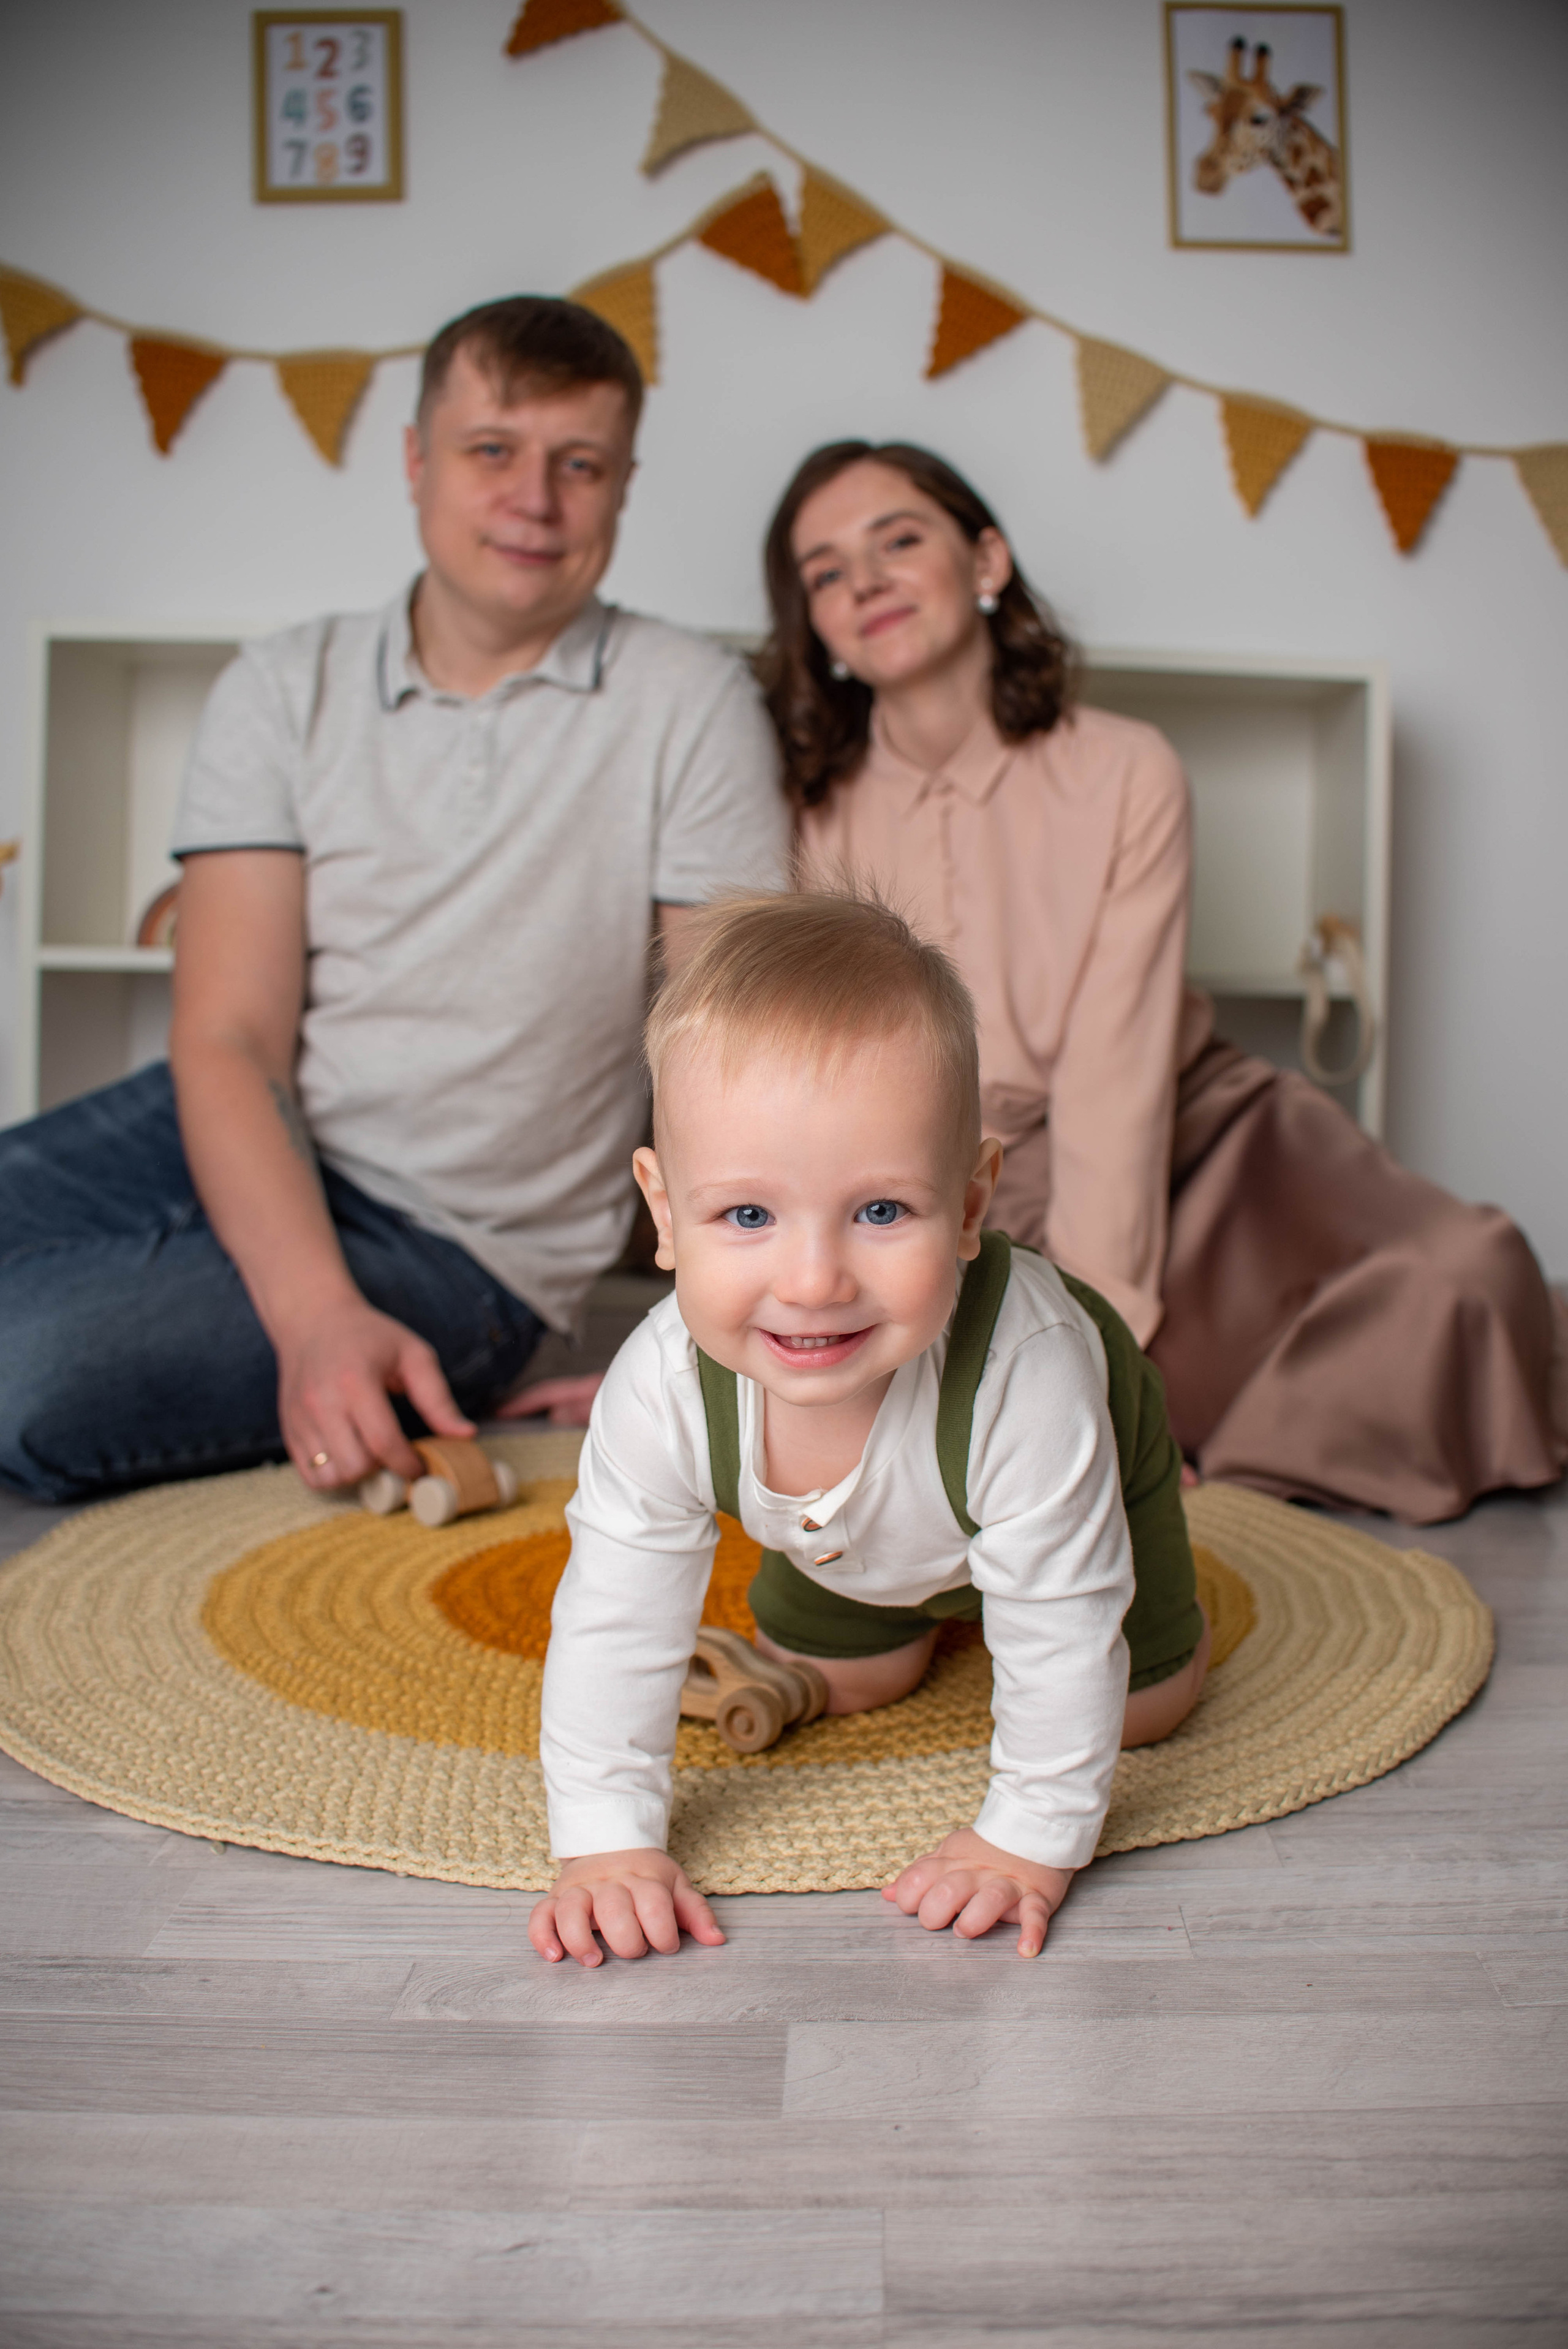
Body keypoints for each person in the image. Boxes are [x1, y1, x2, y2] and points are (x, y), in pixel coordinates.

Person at [0, 297, 788, 1505]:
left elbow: (731, 1054)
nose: (534, 499)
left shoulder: (689, 702)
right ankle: (242, 1295)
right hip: (240, 1128)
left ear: (622, 487)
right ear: (417, 461)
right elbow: (226, 1034)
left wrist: (718, 1345)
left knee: (27, 1373)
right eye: (492, 452)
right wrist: (311, 1311)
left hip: (464, 1249)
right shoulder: (282, 683)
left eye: (578, 465)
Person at [765, 440, 1567, 1526]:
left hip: (1197, 1134)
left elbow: (1116, 1072)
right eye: (824, 572)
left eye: (898, 540)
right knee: (957, 1417)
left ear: (987, 559)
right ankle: (1167, 1447)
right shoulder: (802, 807)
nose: (863, 582)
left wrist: (1102, 1342)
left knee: (1468, 1275)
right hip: (956, 1187)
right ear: (815, 623)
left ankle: (1196, 1446)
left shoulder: (1126, 767)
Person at [529, 890, 1210, 1969]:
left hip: (1084, 1481)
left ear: (973, 1202)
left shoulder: (1027, 1375)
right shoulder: (658, 1385)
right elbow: (612, 1616)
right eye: (747, 1215)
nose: (813, 1280)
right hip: (858, 1535)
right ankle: (916, 1615)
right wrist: (605, 1842)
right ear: (663, 1214)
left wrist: (1028, 1838)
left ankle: (992, 1598)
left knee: (1139, 1703)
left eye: (881, 1211)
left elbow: (1074, 1623)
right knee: (846, 1676)